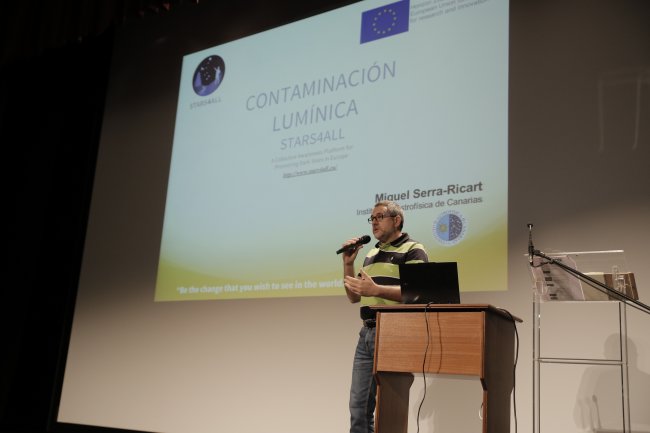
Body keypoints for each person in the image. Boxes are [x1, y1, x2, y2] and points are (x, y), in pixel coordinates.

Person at [341, 200, 429, 433]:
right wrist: (348, 265)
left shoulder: (413, 249)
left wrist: (377, 290)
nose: (374, 223)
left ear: (396, 220)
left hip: (395, 333)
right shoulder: (371, 253)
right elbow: (354, 297)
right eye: (372, 218)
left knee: (391, 408)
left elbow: (418, 293)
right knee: (358, 408)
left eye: (379, 217)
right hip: (367, 334)